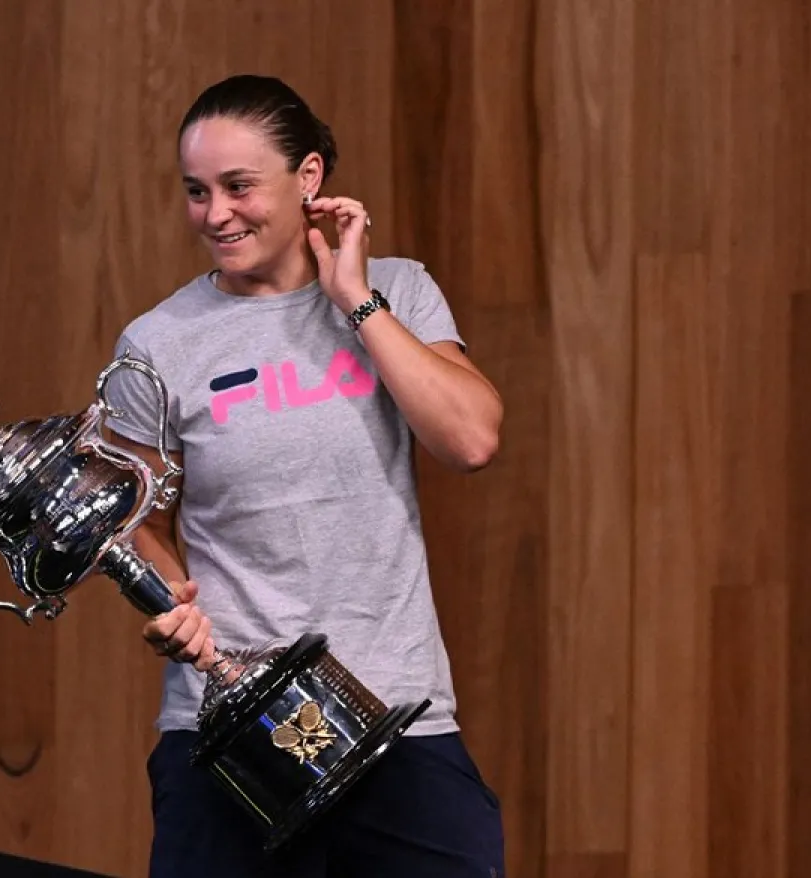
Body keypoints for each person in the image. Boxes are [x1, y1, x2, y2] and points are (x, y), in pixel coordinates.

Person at [98, 74, 508, 877]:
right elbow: (134, 516)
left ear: (309, 177)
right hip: (227, 729)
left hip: (397, 713)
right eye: (196, 191)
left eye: (238, 187)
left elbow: (470, 439)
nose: (216, 214)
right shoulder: (157, 341)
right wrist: (174, 600)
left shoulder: (402, 291)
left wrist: (355, 298)